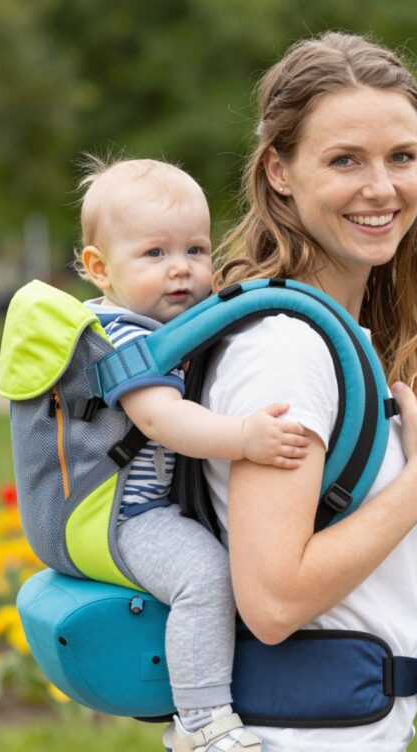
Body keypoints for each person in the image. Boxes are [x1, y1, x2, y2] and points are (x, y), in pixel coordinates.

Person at [203, 32, 417, 752]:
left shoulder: (326, 332)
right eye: (344, 161)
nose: (381, 188)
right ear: (279, 170)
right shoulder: (287, 349)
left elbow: (319, 555)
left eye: (401, 156)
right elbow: (272, 601)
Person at [75, 158, 312, 752]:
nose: (181, 268)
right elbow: (160, 419)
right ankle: (202, 720)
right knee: (204, 575)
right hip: (124, 519)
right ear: (99, 269)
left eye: (196, 250)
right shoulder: (121, 336)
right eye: (154, 254)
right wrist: (245, 438)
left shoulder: (161, 325)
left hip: (151, 508)